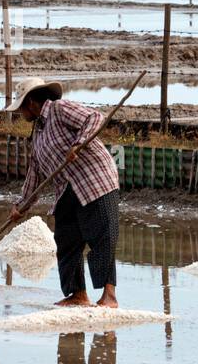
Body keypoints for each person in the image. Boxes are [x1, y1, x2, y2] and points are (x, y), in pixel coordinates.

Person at [6, 77, 121, 308]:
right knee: (66, 240)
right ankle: (77, 294)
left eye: (20, 108)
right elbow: (35, 174)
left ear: (30, 102)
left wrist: (78, 144)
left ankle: (109, 296)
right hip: (67, 188)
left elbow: (94, 117)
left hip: (94, 179)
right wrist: (22, 205)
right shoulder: (37, 133)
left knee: (101, 236)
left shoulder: (58, 110)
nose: (20, 113)